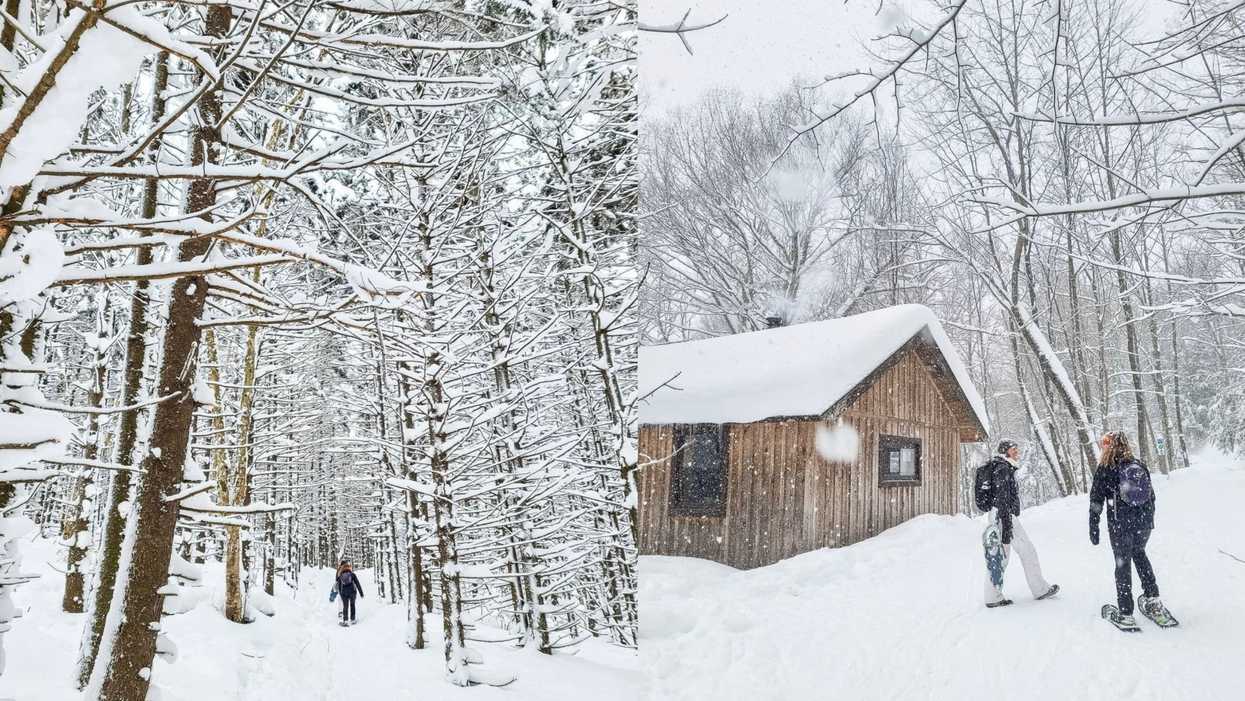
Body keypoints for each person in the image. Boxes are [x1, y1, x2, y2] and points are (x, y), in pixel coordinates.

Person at [1089, 431, 1176, 629]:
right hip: (1143, 524)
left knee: (1122, 563)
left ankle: (1126, 612)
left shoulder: (1105, 468)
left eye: (1105, 443)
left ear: (1108, 446)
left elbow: (1095, 500)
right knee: (1140, 555)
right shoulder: (1138, 464)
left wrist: (1093, 527)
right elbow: (1151, 496)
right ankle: (1153, 600)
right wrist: (1149, 521)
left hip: (1120, 525)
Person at [983, 440, 1060, 607]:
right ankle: (1037, 590)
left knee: (1008, 554)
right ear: (1005, 451)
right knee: (1009, 554)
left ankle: (994, 596)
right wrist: (1006, 527)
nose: (1017, 452)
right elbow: (1002, 498)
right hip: (1003, 516)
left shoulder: (1002, 466)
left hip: (1000, 515)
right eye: (1013, 449)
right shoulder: (1003, 469)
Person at [333, 559, 364, 626]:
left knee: (345, 606)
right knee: (352, 605)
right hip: (352, 592)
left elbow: (338, 585)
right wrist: (361, 593)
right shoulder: (352, 574)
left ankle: (345, 621)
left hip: (344, 593)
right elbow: (357, 584)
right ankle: (353, 619)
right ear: (349, 567)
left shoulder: (340, 575)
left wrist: (341, 595)